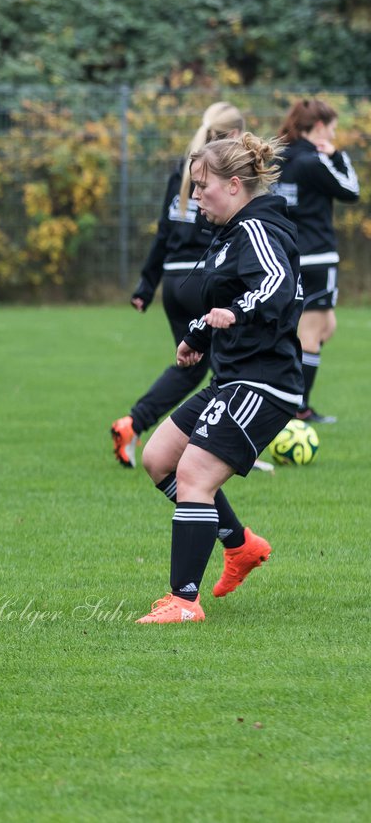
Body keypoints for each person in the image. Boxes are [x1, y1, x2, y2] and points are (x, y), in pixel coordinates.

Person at [135, 132, 302, 624]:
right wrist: (199, 337)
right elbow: (223, 303)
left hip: (262, 382)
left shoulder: (256, 230)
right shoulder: (231, 233)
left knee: (193, 475)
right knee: (158, 458)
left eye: (201, 187)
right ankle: (240, 545)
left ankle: (184, 602)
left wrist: (237, 312)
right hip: (231, 376)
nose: (195, 197)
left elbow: (275, 285)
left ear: (233, 185)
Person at [111, 102, 244, 468]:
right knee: (230, 371)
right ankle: (226, 449)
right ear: (233, 136)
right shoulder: (221, 178)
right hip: (204, 279)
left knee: (191, 364)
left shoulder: (182, 170)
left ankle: (132, 423)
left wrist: (145, 285)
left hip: (173, 281)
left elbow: (163, 232)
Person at [275, 98, 360, 423]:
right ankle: (298, 407)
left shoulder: (282, 157)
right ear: (320, 127)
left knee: (326, 326)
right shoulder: (313, 160)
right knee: (312, 331)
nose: (334, 135)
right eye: (333, 129)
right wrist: (337, 155)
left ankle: (293, 401)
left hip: (287, 255)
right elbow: (350, 190)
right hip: (317, 255)